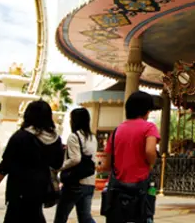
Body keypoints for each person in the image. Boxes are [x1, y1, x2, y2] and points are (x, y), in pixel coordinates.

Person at [0, 100, 64, 223]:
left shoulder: (20, 137)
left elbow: (4, 166)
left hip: (19, 189)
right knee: (35, 215)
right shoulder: (55, 139)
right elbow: (57, 164)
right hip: (41, 188)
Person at [101, 91, 159, 223]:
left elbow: (107, 163)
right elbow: (150, 151)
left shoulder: (117, 130)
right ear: (146, 110)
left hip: (117, 191)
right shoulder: (149, 127)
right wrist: (151, 163)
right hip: (140, 189)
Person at [54, 108, 98, 223]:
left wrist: (59, 167)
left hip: (75, 183)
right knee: (85, 218)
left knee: (61, 216)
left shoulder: (74, 136)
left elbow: (75, 159)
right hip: (89, 182)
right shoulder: (92, 137)